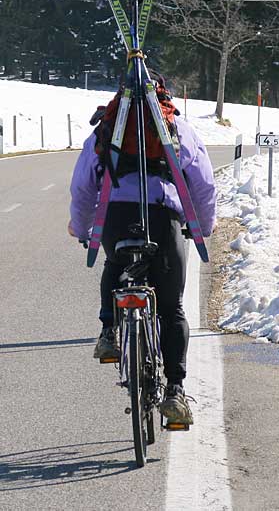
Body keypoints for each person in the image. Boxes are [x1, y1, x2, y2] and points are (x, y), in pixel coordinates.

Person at [68, 81, 216, 424]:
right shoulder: (176, 127)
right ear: (163, 98)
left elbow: (83, 185)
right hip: (163, 218)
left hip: (115, 216)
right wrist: (202, 228)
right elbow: (204, 183)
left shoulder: (107, 128)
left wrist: (82, 227)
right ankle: (176, 392)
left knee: (115, 263)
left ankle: (109, 332)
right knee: (171, 307)